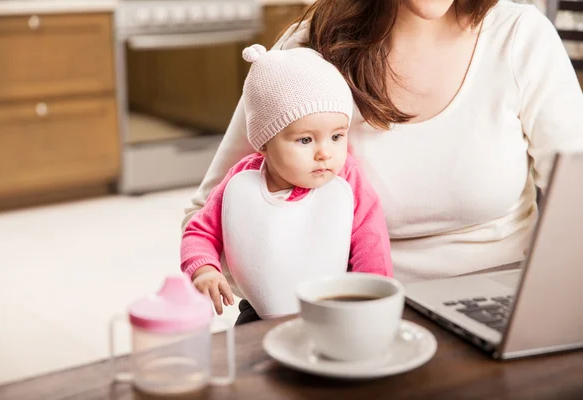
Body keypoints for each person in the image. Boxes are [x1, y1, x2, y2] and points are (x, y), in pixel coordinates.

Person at [182, 0, 583, 285]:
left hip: (499, 296)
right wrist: (288, 292)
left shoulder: (519, 36)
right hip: (351, 305)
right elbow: (211, 209)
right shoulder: (310, 50)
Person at [181, 44, 393, 324]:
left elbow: (371, 241)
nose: (324, 153)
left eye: (337, 137)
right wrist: (204, 269)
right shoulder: (242, 183)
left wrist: (371, 300)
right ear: (265, 142)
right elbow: (200, 231)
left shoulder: (347, 180)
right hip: (261, 308)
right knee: (250, 353)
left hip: (336, 304)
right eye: (305, 140)